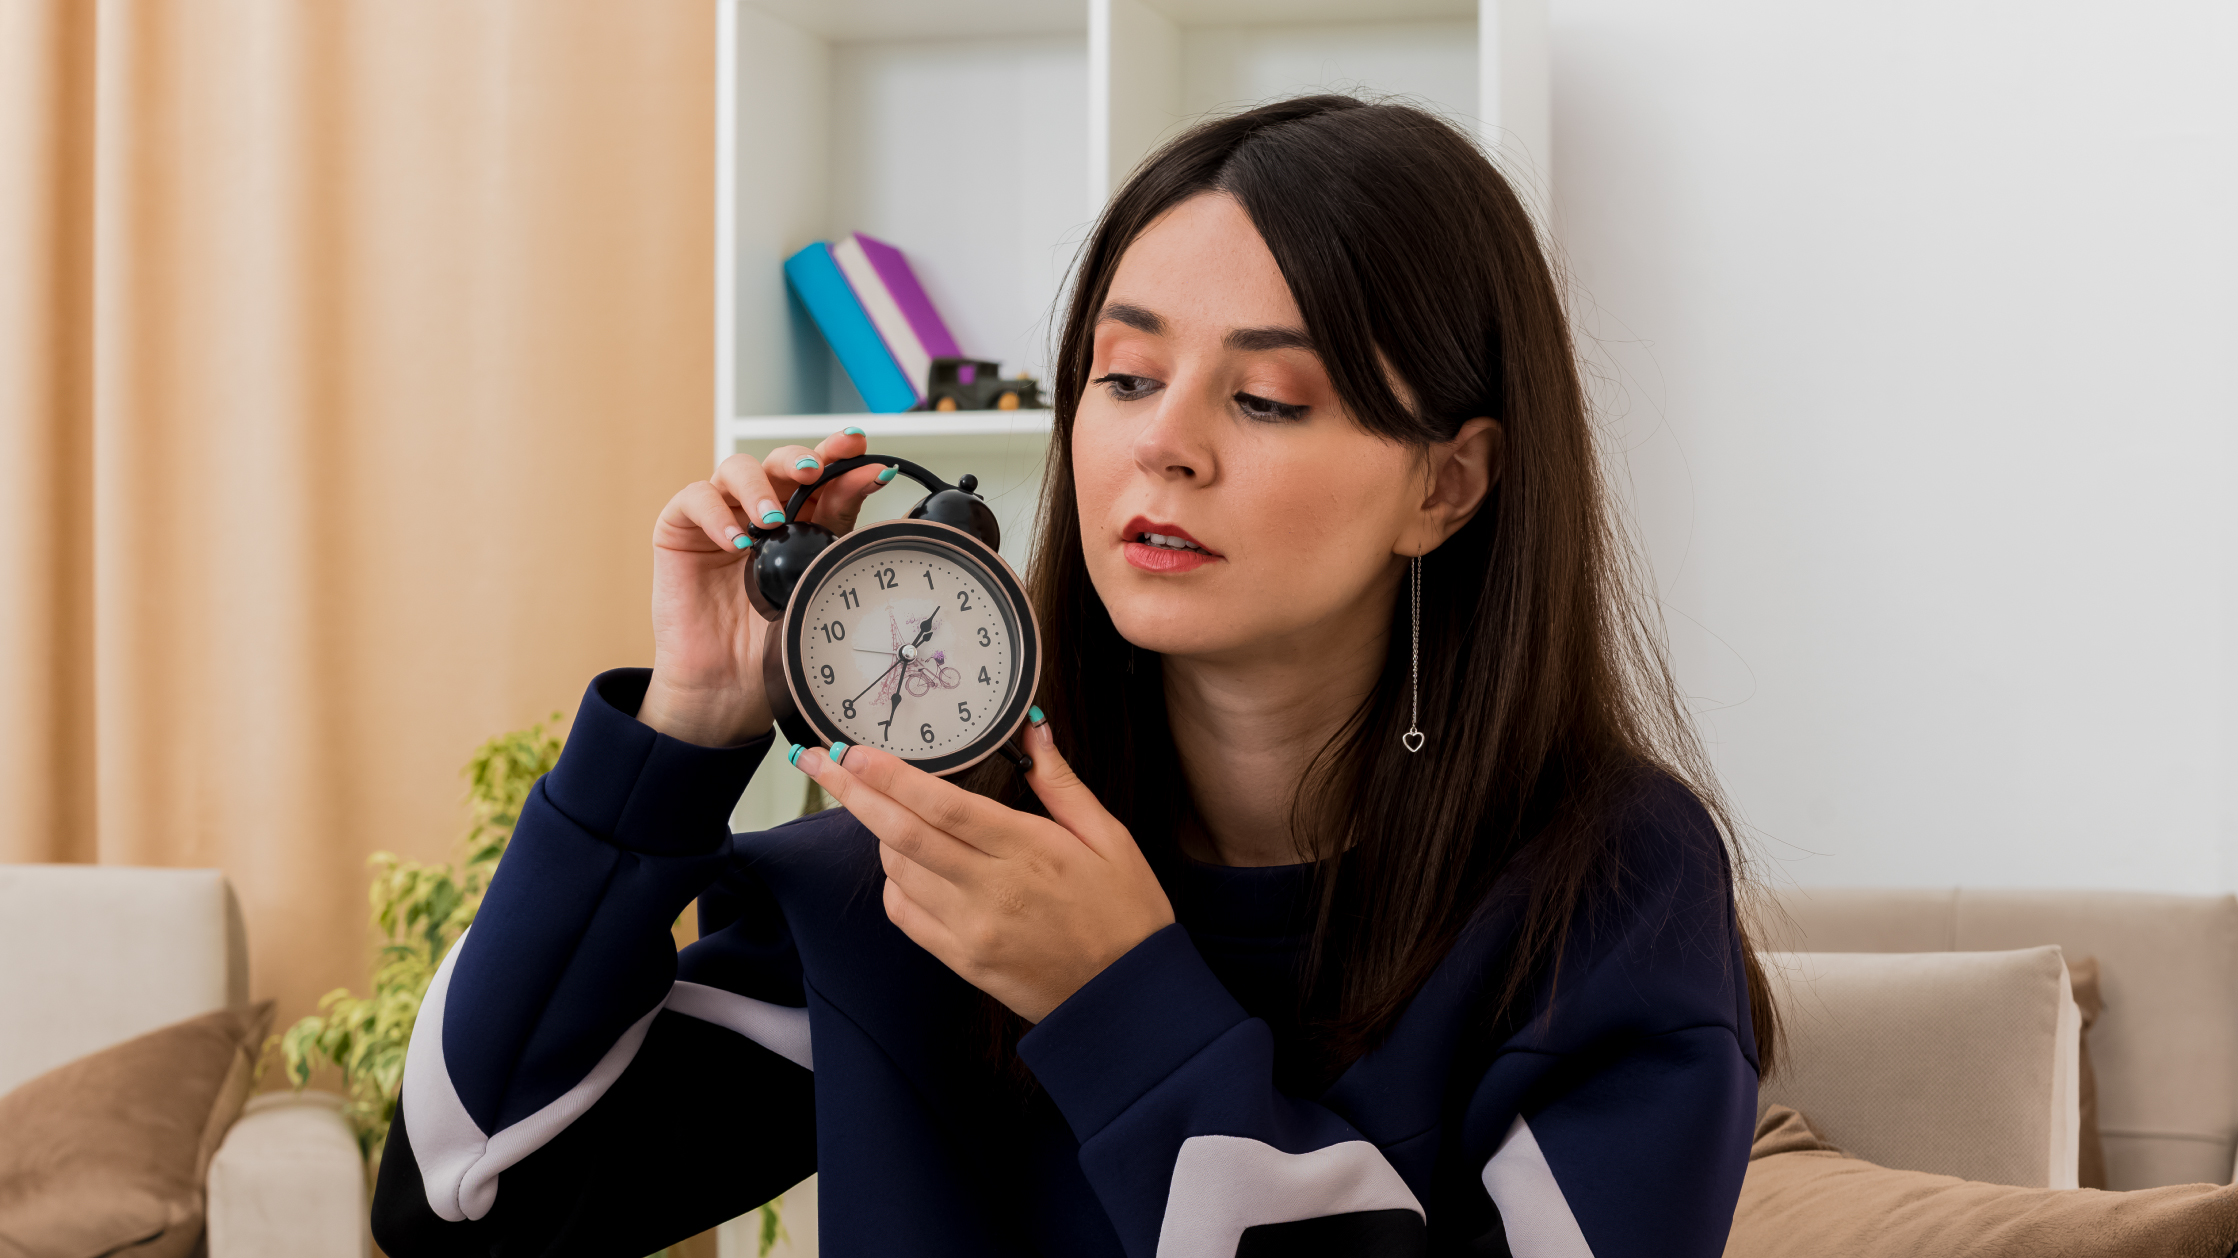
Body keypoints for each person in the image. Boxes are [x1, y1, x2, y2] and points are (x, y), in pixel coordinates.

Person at [370, 95, 1776, 1258]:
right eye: (1120, 375)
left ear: (1448, 483)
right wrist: (680, 732)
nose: (1164, 443)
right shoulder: (924, 866)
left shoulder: (1604, 888)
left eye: (1267, 396)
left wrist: (1119, 1001)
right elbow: (462, 1202)